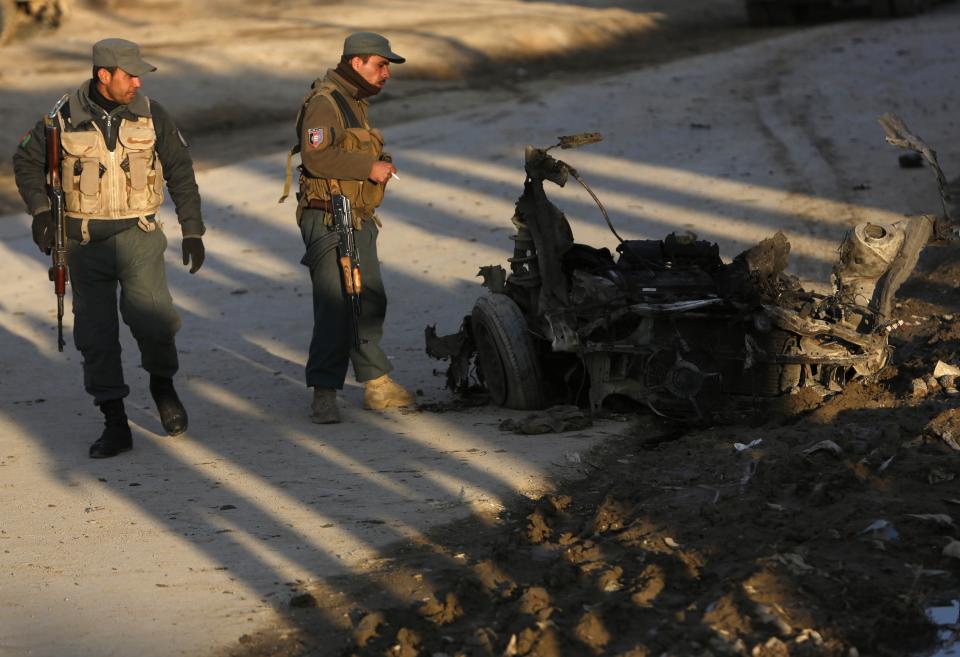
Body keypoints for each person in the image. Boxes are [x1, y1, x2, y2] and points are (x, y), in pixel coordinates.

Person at [12, 38, 206, 458]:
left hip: (139, 235)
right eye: (129, 74)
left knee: (155, 321)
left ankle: (162, 385)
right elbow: (25, 161)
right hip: (83, 242)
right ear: (104, 75)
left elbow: (180, 171)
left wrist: (192, 229)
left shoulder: (154, 115)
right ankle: (115, 420)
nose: (137, 81)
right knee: (96, 337)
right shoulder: (60, 118)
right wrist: (42, 211)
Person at [281, 31, 415, 424]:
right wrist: (367, 168)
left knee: (367, 298)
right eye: (381, 64)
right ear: (356, 63)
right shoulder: (326, 102)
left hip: (356, 216)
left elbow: (351, 148)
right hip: (328, 216)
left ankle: (376, 383)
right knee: (335, 305)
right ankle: (324, 393)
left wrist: (378, 163)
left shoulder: (353, 101)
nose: (386, 73)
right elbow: (315, 156)